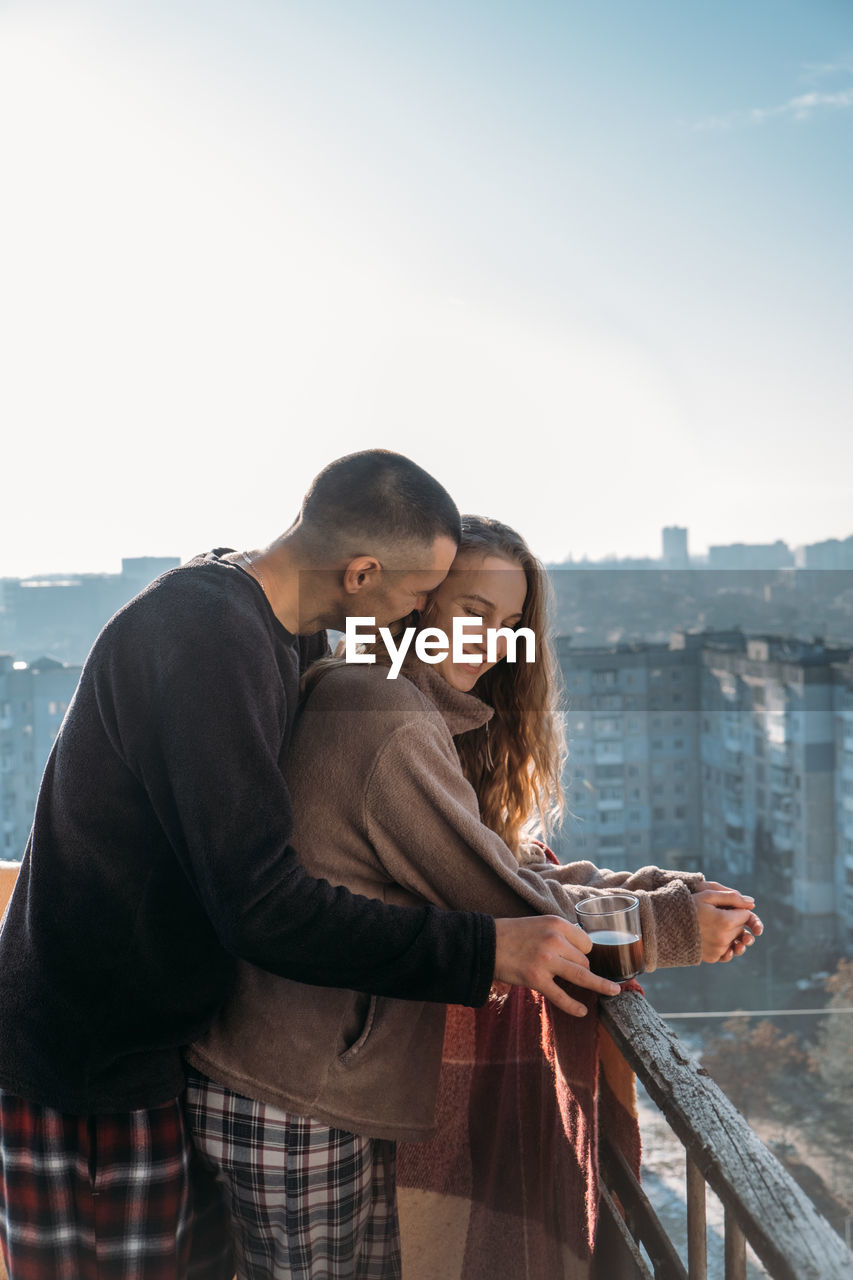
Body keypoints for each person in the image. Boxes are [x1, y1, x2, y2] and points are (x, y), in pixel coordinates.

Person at [0, 454, 615, 1280]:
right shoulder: (205, 637)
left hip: (157, 1046)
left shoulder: (269, 627)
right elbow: (261, 903)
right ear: (362, 573)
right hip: (88, 1059)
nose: (417, 613)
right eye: (418, 595)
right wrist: (482, 949)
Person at [185, 515, 762, 1280]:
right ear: (417, 602)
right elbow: (501, 900)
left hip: (292, 1084)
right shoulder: (383, 718)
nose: (489, 643)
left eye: (510, 625)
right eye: (471, 612)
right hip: (294, 1097)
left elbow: (494, 866)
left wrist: (655, 893)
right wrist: (671, 924)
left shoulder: (380, 698)